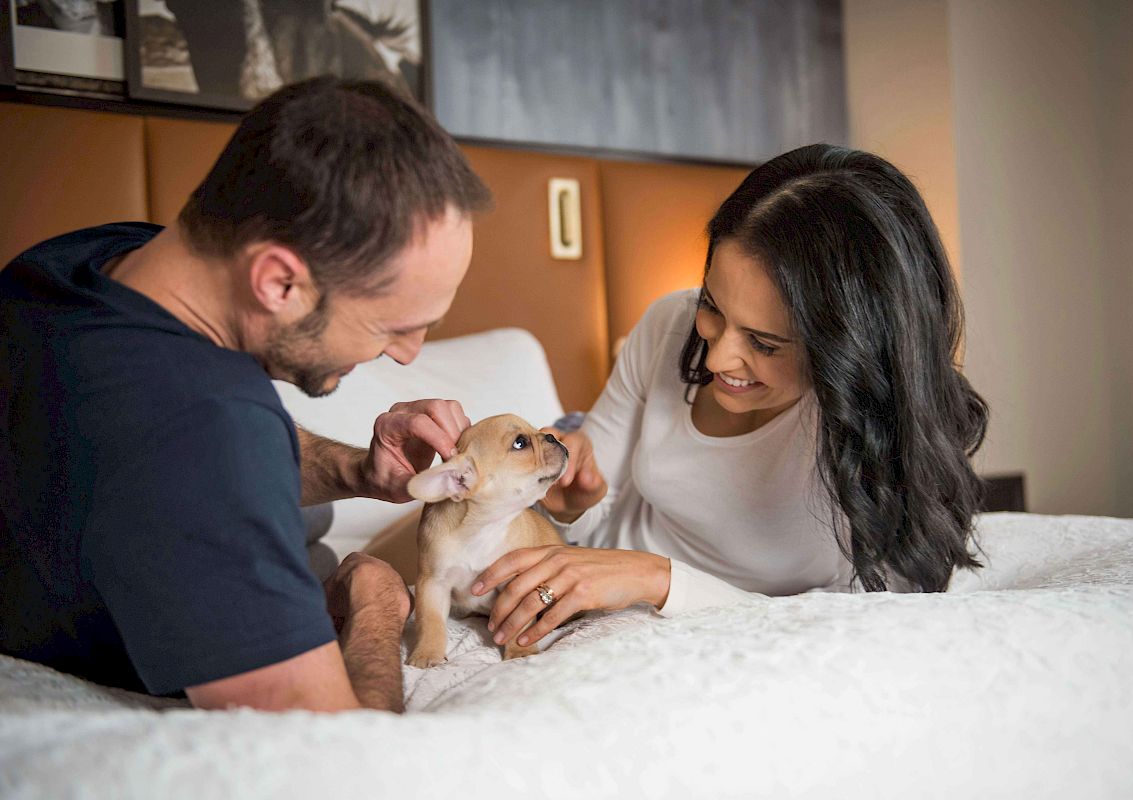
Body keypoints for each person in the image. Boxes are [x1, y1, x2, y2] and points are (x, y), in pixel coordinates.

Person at [0, 77, 491, 712]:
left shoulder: (85, 261)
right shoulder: (202, 424)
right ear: (278, 281)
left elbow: (181, 464)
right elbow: (336, 757)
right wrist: (377, 602)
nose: (408, 353)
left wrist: (356, 471)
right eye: (393, 325)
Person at [472, 144, 989, 650]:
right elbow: (598, 517)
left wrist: (663, 581)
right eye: (713, 307)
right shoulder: (669, 325)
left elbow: (862, 623)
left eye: (764, 343)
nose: (717, 360)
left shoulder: (884, 429)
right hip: (600, 569)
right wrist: (572, 508)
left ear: (849, 347)